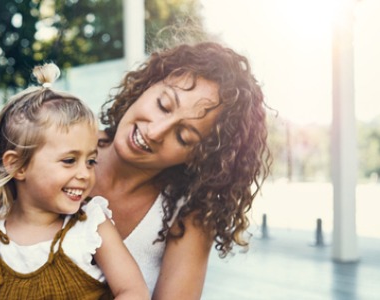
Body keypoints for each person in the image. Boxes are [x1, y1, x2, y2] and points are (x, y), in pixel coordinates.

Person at [0, 64, 149, 300]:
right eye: (70, 160)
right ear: (18, 165)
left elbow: (134, 292)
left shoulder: (91, 225)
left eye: (91, 161)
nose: (85, 173)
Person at [91, 42, 270, 299]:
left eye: (183, 137)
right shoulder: (56, 146)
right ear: (147, 85)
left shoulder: (187, 216)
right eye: (163, 105)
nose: (154, 132)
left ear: (199, 157)